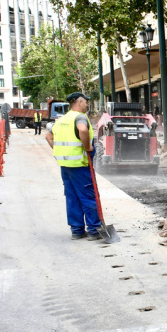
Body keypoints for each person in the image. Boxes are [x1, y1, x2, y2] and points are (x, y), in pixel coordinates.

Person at [45, 92, 102, 240]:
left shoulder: (62, 119)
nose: (87, 105)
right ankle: (94, 230)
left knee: (72, 197)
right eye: (86, 102)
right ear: (79, 102)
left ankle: (77, 230)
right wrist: (88, 147)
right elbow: (83, 130)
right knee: (88, 195)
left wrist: (60, 151)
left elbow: (48, 136)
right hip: (80, 165)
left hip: (65, 165)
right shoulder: (79, 117)